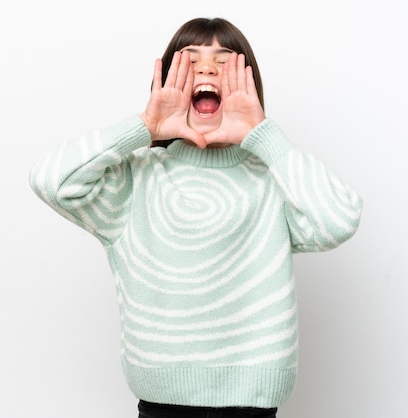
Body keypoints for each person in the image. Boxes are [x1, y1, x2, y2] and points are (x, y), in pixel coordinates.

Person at [29, 17, 362, 418]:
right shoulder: (137, 178)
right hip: (161, 404)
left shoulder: (271, 178)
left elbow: (339, 218)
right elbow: (51, 180)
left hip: (253, 405)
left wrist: (263, 134)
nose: (206, 69)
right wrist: (145, 127)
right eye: (190, 63)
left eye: (223, 63)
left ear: (247, 84)